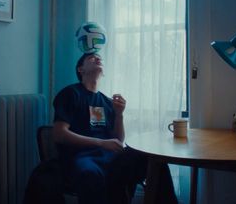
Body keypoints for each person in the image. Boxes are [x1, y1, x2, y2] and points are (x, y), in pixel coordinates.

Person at [52, 52, 178, 204]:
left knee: (155, 162)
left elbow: (118, 140)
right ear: (81, 69)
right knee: (89, 174)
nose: (98, 58)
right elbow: (59, 134)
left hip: (111, 158)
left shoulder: (106, 101)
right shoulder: (71, 93)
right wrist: (100, 143)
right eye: (91, 58)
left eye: (100, 58)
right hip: (83, 158)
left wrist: (119, 114)